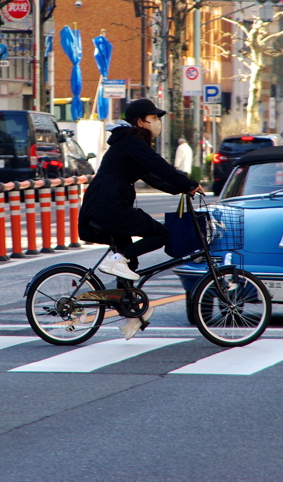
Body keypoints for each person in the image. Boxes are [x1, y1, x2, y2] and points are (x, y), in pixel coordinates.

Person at [78, 98, 201, 339]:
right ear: (139, 122)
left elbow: (153, 176)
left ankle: (130, 314)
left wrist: (181, 189)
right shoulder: (133, 141)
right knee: (160, 234)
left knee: (128, 266)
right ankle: (118, 260)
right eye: (153, 118)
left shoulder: (129, 141)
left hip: (106, 204)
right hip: (109, 205)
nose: (157, 123)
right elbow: (158, 165)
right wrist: (188, 183)